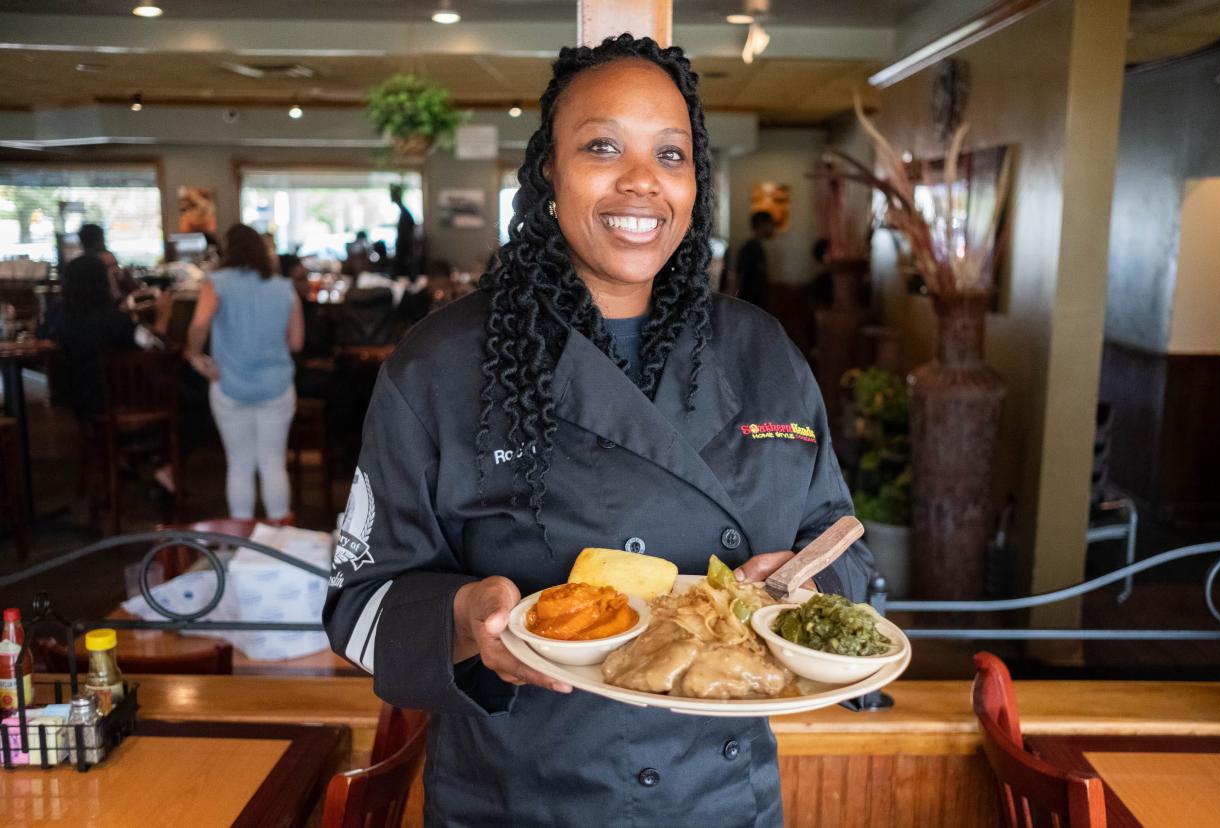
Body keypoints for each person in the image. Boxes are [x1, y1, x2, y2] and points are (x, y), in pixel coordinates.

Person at [322, 35, 873, 827]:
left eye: (671, 153)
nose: (643, 180)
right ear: (549, 170)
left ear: (695, 182)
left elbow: (842, 540)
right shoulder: (442, 363)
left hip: (724, 802)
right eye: (602, 146)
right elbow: (359, 606)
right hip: (520, 799)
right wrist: (467, 620)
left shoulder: (763, 352)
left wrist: (808, 588)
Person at [185, 224, 304, 521]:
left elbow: (199, 324)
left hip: (230, 385)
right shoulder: (284, 287)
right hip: (276, 386)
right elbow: (297, 343)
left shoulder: (216, 283)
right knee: (273, 463)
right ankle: (281, 539)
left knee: (239, 464)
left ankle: (241, 545)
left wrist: (195, 355)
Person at [55, 254, 177, 492]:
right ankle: (165, 467)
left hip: (84, 407)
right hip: (126, 406)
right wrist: (163, 317)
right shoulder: (115, 322)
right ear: (101, 283)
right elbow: (155, 347)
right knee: (190, 399)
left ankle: (131, 461)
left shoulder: (63, 323)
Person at [735, 210, 776, 309]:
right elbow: (739, 276)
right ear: (762, 225)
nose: (773, 228)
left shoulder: (757, 247)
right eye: (771, 224)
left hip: (754, 303)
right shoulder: (750, 248)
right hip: (749, 304)